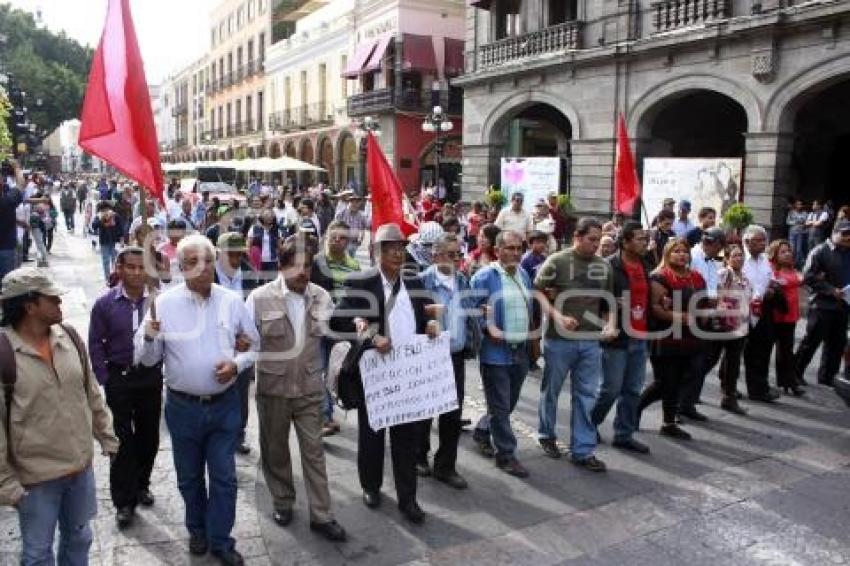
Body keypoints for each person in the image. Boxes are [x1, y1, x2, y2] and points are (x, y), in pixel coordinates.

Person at [134, 234, 260, 565]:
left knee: (224, 477)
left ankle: (221, 539)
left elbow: (254, 346)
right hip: (182, 408)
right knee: (188, 477)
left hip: (224, 406)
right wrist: (149, 335)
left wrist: (236, 363)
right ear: (180, 266)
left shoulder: (232, 301)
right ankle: (197, 531)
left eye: (205, 260)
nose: (200, 268)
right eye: (191, 262)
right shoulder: (162, 304)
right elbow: (146, 360)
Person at [0, 267, 119, 564]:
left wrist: (106, 436)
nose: (60, 304)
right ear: (30, 306)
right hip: (36, 478)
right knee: (38, 553)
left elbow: (90, 391)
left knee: (80, 538)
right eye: (52, 299)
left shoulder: (69, 337)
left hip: (79, 468)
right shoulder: (4, 353)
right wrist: (6, 483)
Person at [329, 223, 439, 524]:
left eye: (401, 247)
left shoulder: (414, 282)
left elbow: (426, 314)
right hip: (375, 376)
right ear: (376, 251)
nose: (396, 253)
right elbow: (337, 322)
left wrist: (430, 326)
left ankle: (408, 499)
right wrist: (366, 331)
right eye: (389, 248)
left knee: (408, 438)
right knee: (372, 436)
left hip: (407, 375)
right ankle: (371, 486)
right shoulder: (361, 282)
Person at [245, 235, 347, 541]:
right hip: (273, 391)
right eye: (297, 267)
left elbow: (333, 333)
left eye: (307, 267)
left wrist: (358, 328)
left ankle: (322, 514)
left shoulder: (321, 297)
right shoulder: (259, 298)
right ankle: (283, 501)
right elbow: (246, 343)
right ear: (282, 266)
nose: (303, 273)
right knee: (275, 451)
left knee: (314, 453)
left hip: (309, 389)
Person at [88, 247, 163, 529]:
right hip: (118, 378)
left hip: (149, 378)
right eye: (129, 267)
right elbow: (95, 344)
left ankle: (142, 483)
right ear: (119, 268)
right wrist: (105, 378)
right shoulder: (104, 304)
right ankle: (124, 500)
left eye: (140, 267)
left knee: (149, 436)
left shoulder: (157, 302)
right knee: (120, 440)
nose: (135, 272)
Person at [534, 218, 615, 472]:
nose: (596, 245)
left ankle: (582, 449)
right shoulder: (557, 261)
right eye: (592, 239)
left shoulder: (604, 266)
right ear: (577, 237)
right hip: (559, 341)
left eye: (598, 239)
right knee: (552, 390)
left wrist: (610, 324)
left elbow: (609, 301)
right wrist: (556, 316)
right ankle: (546, 434)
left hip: (591, 342)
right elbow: (536, 291)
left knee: (586, 396)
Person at [470, 230, 537, 477]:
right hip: (494, 354)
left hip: (519, 351)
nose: (515, 253)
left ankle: (482, 430)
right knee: (500, 406)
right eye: (509, 248)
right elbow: (470, 310)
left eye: (519, 248)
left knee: (507, 403)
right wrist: (486, 324)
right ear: (497, 251)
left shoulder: (523, 274)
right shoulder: (484, 276)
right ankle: (506, 455)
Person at [417, 233, 473, 489]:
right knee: (425, 410)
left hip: (456, 356)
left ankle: (446, 466)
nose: (457, 260)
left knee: (453, 412)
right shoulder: (421, 282)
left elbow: (470, 311)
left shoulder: (463, 280)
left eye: (459, 254)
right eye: (451, 254)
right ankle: (419, 456)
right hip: (429, 356)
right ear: (436, 255)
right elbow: (411, 317)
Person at [591, 221, 652, 454]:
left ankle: (624, 433)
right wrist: (610, 302)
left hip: (641, 334)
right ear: (625, 242)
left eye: (645, 238)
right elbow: (592, 298)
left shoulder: (646, 264)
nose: (644, 242)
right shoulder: (608, 266)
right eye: (639, 238)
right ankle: (589, 424)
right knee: (610, 389)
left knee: (633, 389)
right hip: (616, 336)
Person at [638, 238, 706, 440]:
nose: (681, 255)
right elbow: (656, 308)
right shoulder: (660, 276)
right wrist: (679, 317)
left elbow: (702, 300)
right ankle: (635, 409)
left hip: (690, 335)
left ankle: (669, 422)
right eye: (676, 251)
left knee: (681, 379)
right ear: (667, 254)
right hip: (665, 336)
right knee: (664, 381)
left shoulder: (695, 276)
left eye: (684, 251)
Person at [310, 220, 362, 436]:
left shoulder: (354, 266)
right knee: (318, 369)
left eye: (341, 238)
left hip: (343, 327)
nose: (336, 242)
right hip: (320, 326)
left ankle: (332, 409)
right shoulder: (316, 263)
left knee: (337, 371)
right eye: (333, 237)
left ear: (348, 241)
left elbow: (359, 298)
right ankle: (325, 416)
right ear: (326, 237)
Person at [214, 233, 263, 455]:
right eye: (229, 254)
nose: (234, 260)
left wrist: (249, 336)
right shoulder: (208, 275)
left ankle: (238, 435)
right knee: (217, 391)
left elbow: (257, 311)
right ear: (218, 253)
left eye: (238, 254)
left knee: (241, 392)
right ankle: (217, 435)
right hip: (215, 345)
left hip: (243, 347)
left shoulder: (252, 275)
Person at [795, 221, 850, 386]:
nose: (848, 237)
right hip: (822, 305)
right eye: (845, 234)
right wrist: (831, 290)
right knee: (811, 342)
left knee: (837, 344)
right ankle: (795, 373)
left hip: (843, 305)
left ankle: (827, 377)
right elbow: (807, 277)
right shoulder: (820, 251)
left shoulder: (848, 252)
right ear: (834, 233)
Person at [680, 227, 726, 420]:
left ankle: (689, 402)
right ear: (711, 243)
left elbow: (713, 287)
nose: (719, 251)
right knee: (689, 364)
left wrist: (717, 302)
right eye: (719, 247)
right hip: (692, 315)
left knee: (706, 360)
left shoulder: (713, 262)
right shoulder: (692, 257)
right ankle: (677, 404)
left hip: (709, 316)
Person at [742, 225, 783, 402]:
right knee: (749, 352)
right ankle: (753, 389)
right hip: (745, 310)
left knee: (764, 348)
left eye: (763, 240)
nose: (762, 244)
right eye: (758, 240)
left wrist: (773, 285)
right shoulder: (740, 259)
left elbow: (770, 277)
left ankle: (761, 386)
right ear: (747, 242)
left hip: (764, 309)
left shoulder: (764, 259)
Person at [714, 244, 753, 414]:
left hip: (739, 324)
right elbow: (716, 294)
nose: (739, 258)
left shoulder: (744, 277)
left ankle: (729, 396)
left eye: (741, 255)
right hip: (723, 324)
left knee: (734, 361)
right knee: (710, 359)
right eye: (735, 255)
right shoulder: (724, 274)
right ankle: (687, 398)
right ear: (727, 258)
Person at [768, 239, 804, 396]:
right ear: (775, 254)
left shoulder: (792, 269)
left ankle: (788, 381)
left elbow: (799, 280)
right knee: (770, 349)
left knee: (786, 350)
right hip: (776, 315)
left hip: (791, 315)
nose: (787, 253)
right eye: (783, 251)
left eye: (788, 250)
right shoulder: (772, 270)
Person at [91, 201, 125, 280]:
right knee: (105, 261)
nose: (106, 211)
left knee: (116, 260)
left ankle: (116, 277)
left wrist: (122, 240)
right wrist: (102, 220)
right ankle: (108, 278)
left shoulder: (115, 216)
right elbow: (94, 226)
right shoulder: (99, 216)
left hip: (115, 241)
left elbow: (121, 229)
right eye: (103, 210)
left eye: (107, 209)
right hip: (104, 242)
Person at [787, 200, 808, 268]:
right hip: (792, 232)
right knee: (792, 248)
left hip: (800, 233)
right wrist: (796, 222)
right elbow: (787, 222)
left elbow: (807, 222)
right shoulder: (791, 212)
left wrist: (804, 224)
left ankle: (796, 264)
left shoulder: (805, 213)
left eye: (801, 204)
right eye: (798, 204)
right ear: (795, 205)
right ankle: (790, 263)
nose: (799, 206)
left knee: (798, 250)